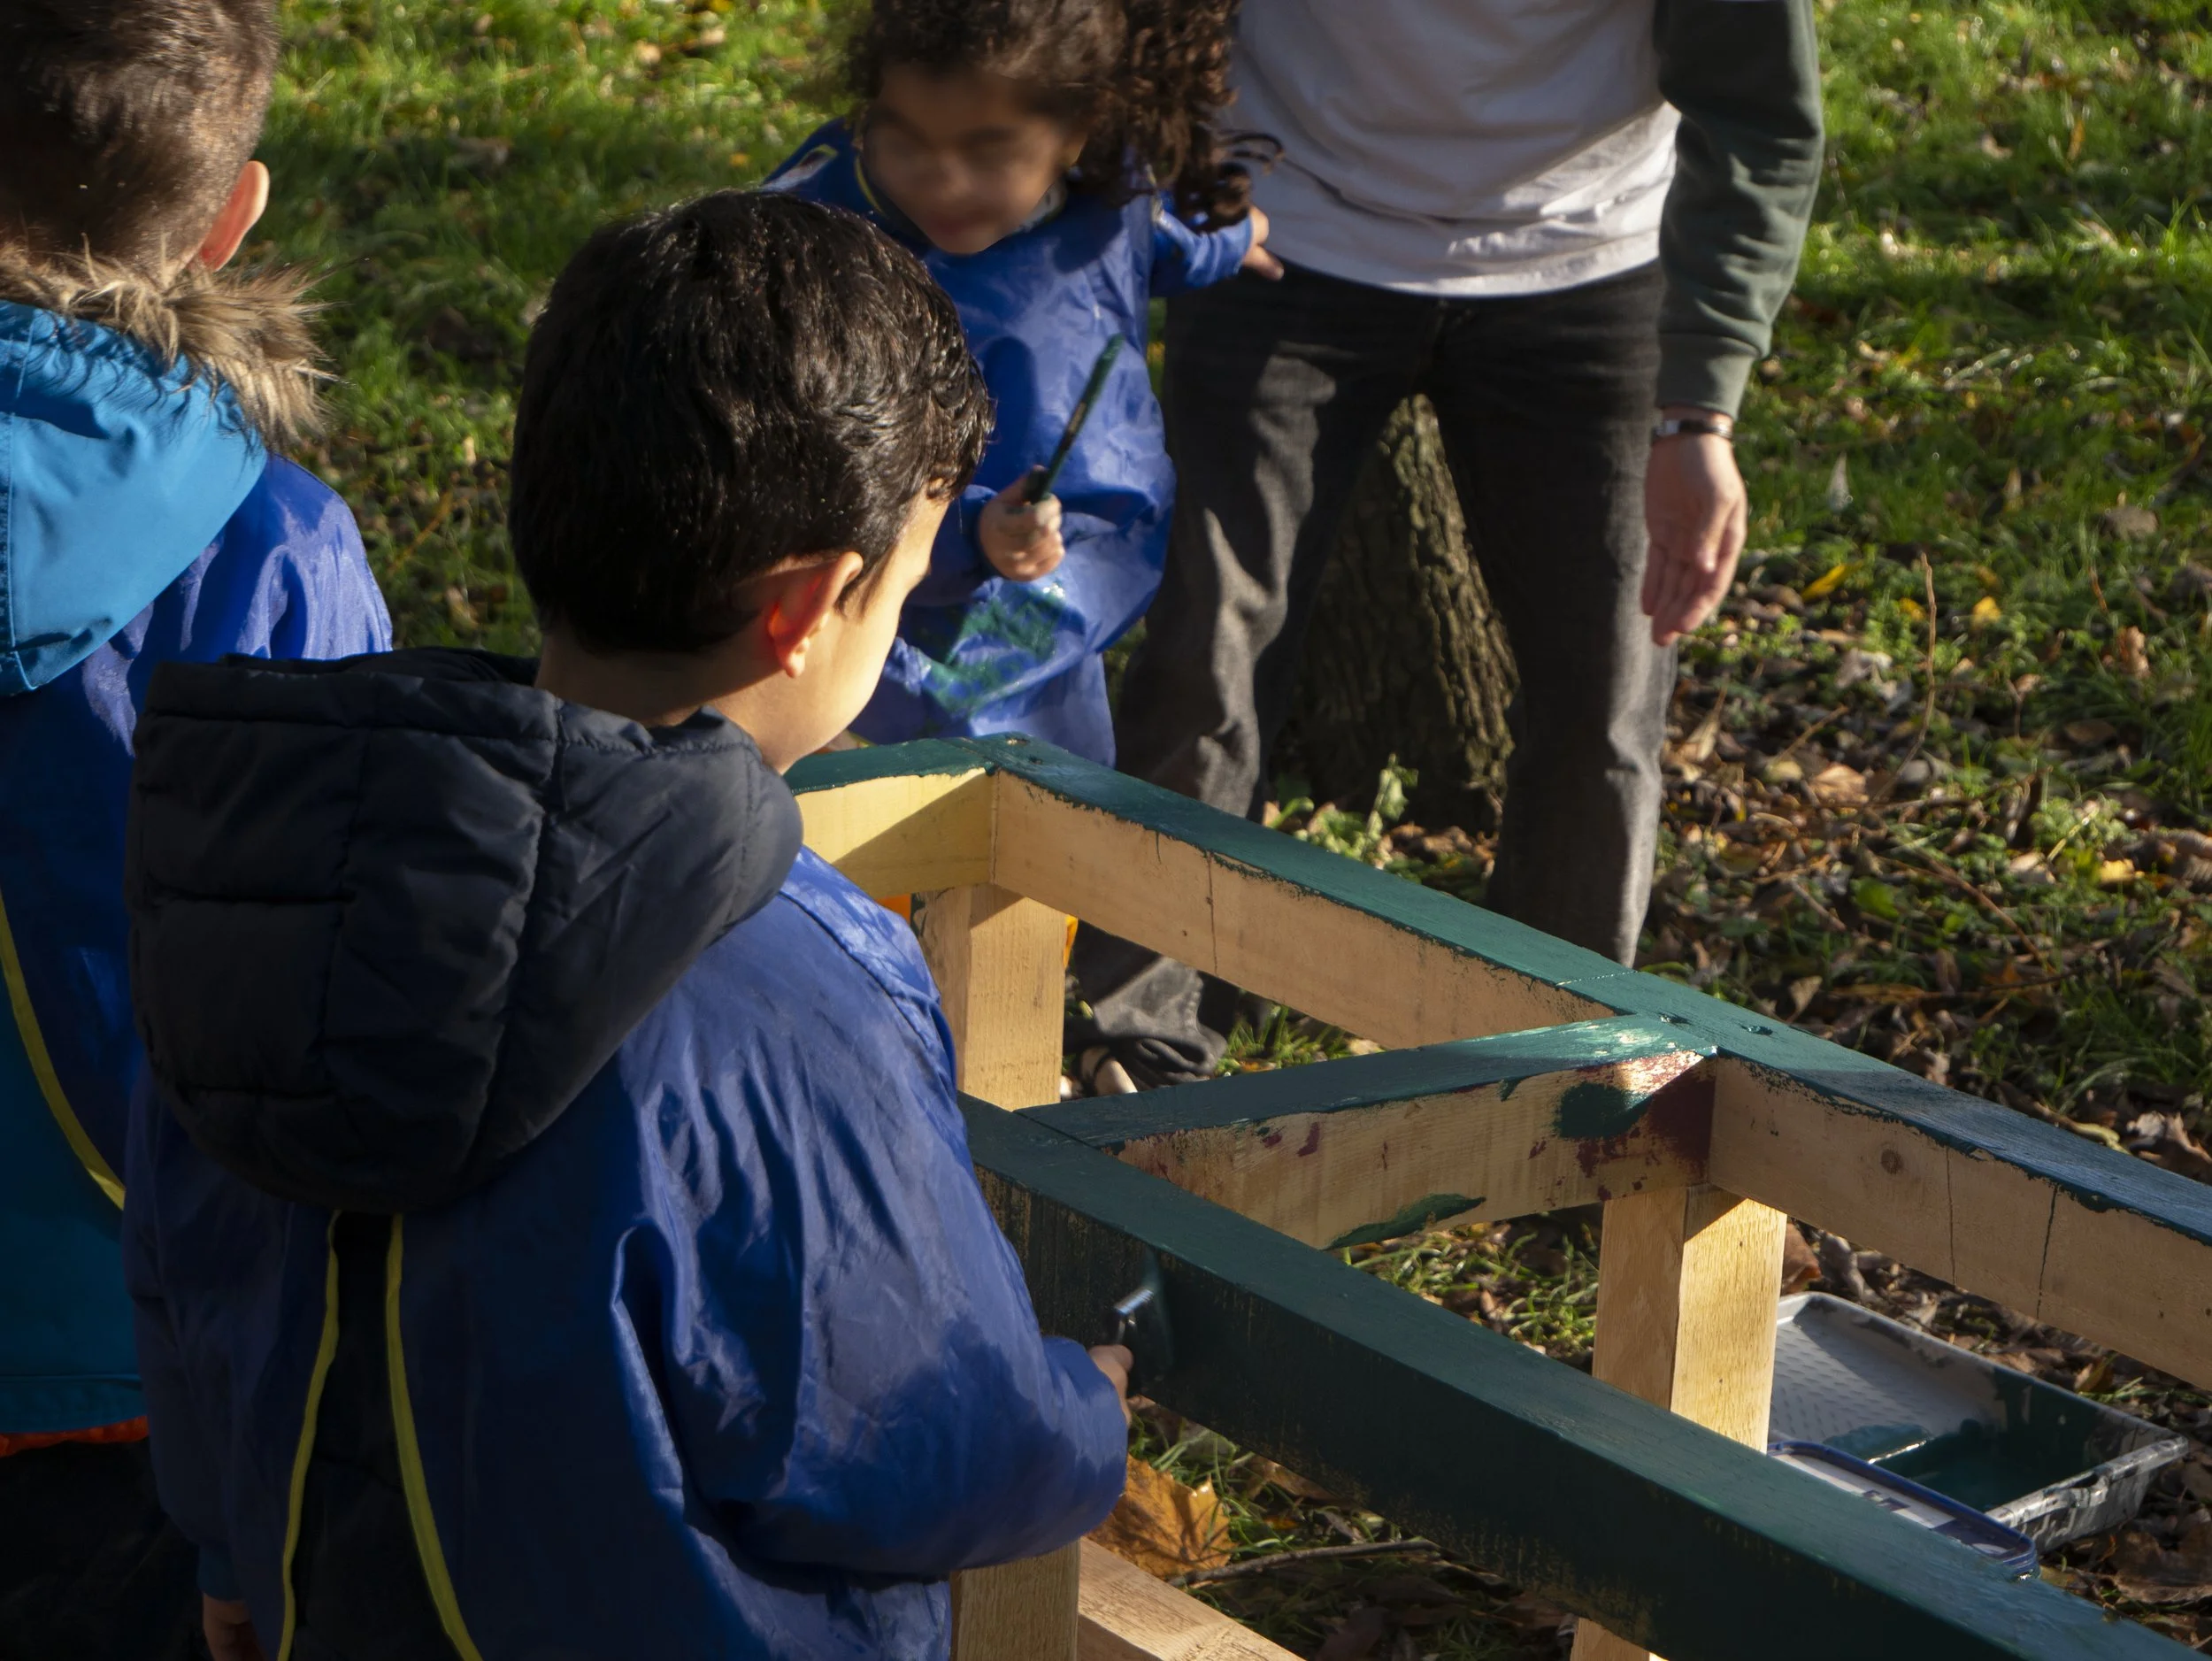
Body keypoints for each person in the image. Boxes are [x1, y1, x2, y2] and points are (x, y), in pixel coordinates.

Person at [122, 190, 1132, 1661]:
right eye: (906, 589)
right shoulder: (798, 984)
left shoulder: (287, 853)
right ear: (809, 607)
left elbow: (190, 1245)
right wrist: (1082, 1416)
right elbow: (905, 1422)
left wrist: (227, 1528)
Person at [1071, 0, 1824, 1091]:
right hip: (1284, 230)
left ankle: (1555, 1065)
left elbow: (1761, 114)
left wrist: (1699, 410)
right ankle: (1139, 1050)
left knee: (1606, 689)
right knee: (1209, 649)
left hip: (1591, 260)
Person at [0, 1, 392, 1652]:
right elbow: (318, 1027)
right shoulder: (277, 553)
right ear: (233, 216)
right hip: (128, 1355)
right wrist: (260, 1505)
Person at [764, 0, 1277, 765]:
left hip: (1054, 613)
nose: (942, 182)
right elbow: (800, 464)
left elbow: (1158, 239)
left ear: (1078, 133)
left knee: (1049, 803)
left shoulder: (1108, 195)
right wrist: (970, 532)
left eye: (987, 152)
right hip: (882, 624)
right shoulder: (821, 235)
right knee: (882, 799)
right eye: (905, 141)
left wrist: (1235, 237)